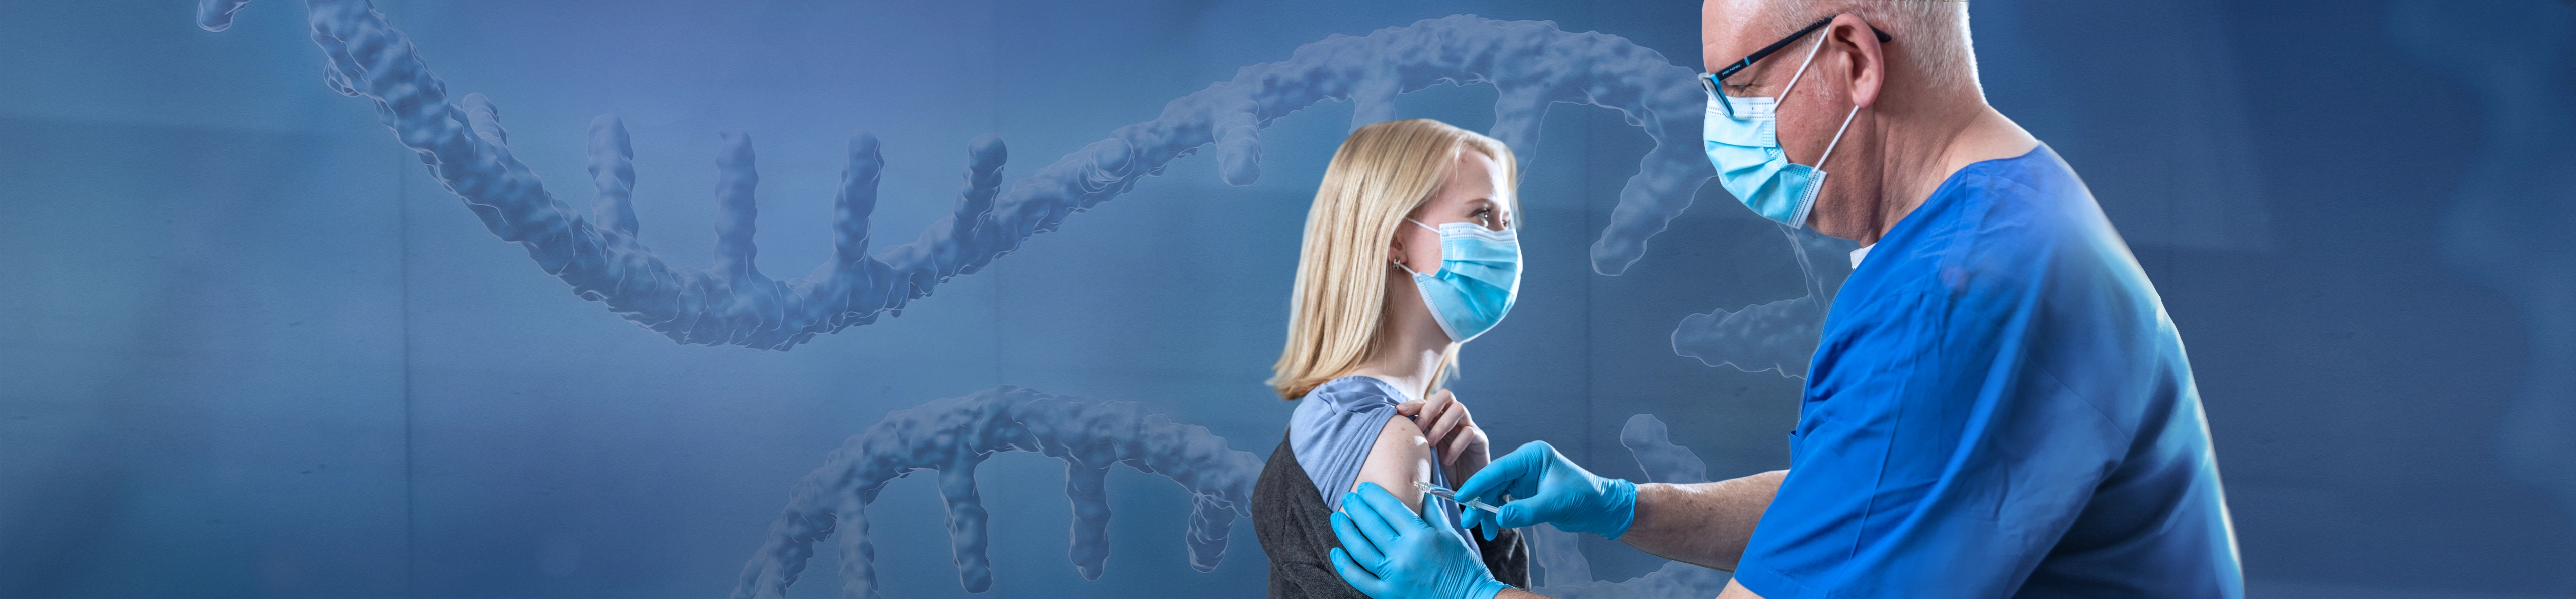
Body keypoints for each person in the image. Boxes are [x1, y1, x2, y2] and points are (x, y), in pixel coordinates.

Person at [1326, 2, 2245, 598]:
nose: (1725, 124)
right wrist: (1624, 505)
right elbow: (1855, 506)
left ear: (1851, 57)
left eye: (1742, 85)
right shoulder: (2005, 210)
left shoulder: (1956, 300)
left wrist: (1470, 596)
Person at [1252, 118, 1534, 599]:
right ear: (1394, 238)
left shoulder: (1365, 421)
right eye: (1482, 215)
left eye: (1507, 222)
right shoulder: (1395, 436)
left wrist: (1486, 516)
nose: (1505, 241)